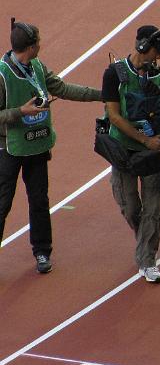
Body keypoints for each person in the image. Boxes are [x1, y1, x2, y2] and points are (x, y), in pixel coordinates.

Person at [0, 20, 102, 273]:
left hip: (37, 143)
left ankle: (42, 252)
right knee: (2, 204)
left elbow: (63, 88)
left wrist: (102, 94)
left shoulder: (36, 66)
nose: (41, 46)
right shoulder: (2, 75)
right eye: (39, 42)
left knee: (39, 201)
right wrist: (19, 111)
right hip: (9, 149)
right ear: (31, 46)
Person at [102, 25, 160, 283]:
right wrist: (145, 139)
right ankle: (145, 239)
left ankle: (148, 259)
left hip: (152, 152)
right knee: (131, 207)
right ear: (143, 47)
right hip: (123, 149)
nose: (158, 57)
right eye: (156, 51)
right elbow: (114, 116)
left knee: (152, 208)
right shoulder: (114, 74)